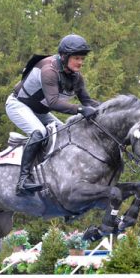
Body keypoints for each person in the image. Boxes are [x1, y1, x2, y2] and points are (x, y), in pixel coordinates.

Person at [6, 34, 100, 196]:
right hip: (18, 105)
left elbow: (87, 101)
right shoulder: (49, 70)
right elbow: (53, 103)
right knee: (39, 133)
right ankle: (23, 180)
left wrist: (108, 108)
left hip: (40, 112)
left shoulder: (76, 77)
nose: (80, 62)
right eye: (76, 58)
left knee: (64, 134)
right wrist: (79, 110)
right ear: (64, 56)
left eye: (82, 58)